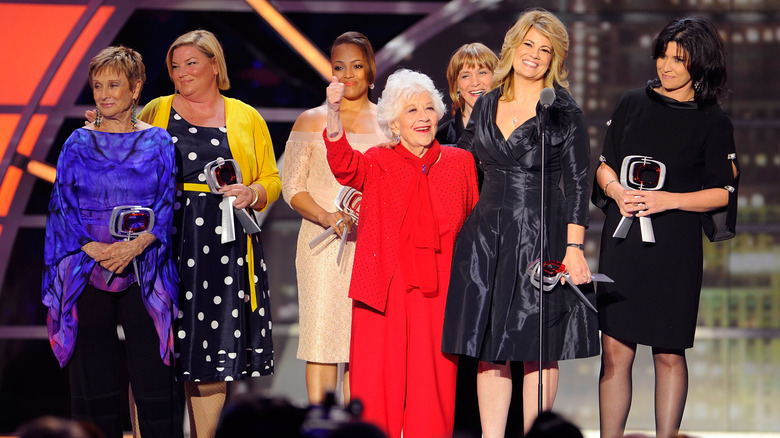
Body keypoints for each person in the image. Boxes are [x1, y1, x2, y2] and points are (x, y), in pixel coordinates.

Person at [441, 9, 599, 437]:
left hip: (540, 235)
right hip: (486, 235)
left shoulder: (564, 110)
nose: (534, 55)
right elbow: (462, 161)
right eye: (528, 44)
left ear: (555, 59)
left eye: (545, 50)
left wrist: (574, 248)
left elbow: (578, 183)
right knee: (490, 346)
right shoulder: (488, 101)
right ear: (514, 46)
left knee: (537, 347)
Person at [592, 17, 739, 438]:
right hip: (623, 243)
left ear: (701, 65)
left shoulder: (713, 120)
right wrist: (617, 190)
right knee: (615, 352)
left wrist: (668, 200)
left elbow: (723, 192)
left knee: (669, 353)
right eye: (663, 55)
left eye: (679, 59)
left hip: (674, 247)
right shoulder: (631, 103)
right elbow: (604, 165)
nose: (667, 66)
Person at [137, 29, 280, 438]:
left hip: (224, 244)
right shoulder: (156, 110)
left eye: (191, 64)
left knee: (211, 351)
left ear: (215, 65)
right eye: (175, 66)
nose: (181, 73)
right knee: (155, 354)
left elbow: (272, 177)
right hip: (166, 239)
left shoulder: (245, 115)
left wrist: (253, 192)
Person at [324, 69, 479, 438]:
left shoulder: (460, 164)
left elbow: (474, 225)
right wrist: (333, 113)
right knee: (377, 387)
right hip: (384, 290)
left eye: (428, 108)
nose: (423, 117)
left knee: (435, 389)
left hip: (440, 293)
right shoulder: (378, 161)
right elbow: (344, 165)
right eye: (411, 111)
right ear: (393, 121)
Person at [42, 46, 182, 438]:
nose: (104, 94)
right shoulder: (77, 143)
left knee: (156, 378)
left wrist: (133, 247)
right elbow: (62, 206)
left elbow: (167, 204)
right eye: (98, 85)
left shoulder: (159, 142)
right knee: (94, 381)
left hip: (144, 270)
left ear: (135, 88)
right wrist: (96, 250)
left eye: (114, 85)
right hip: (87, 269)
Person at [282, 31, 388, 405]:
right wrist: (328, 216)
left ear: (371, 71)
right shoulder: (311, 121)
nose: (348, 75)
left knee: (364, 344)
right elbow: (291, 186)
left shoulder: (390, 124)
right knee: (322, 341)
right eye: (339, 67)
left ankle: (358, 426)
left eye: (357, 66)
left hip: (373, 248)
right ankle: (322, 422)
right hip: (323, 247)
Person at [436, 42, 498, 146]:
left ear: (496, 77)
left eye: (482, 72)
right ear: (456, 85)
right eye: (465, 76)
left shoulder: (515, 124)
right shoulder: (440, 138)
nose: (475, 82)